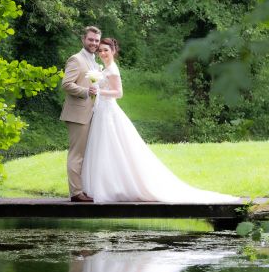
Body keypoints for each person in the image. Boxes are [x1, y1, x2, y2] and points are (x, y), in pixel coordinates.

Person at [81, 37, 242, 204]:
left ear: (113, 51)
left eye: (106, 50)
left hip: (109, 112)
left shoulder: (112, 70)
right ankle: (106, 185)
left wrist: (99, 91)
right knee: (104, 147)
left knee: (112, 147)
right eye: (100, 51)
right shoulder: (104, 68)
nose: (102, 53)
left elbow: (119, 93)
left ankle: (114, 187)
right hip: (102, 112)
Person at [60, 26, 102, 203]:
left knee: (86, 154)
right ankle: (76, 193)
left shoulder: (94, 61)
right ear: (83, 40)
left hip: (92, 112)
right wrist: (86, 91)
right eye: (91, 39)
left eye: (96, 40)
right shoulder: (76, 59)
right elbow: (66, 84)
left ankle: (82, 189)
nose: (94, 43)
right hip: (78, 114)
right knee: (76, 154)